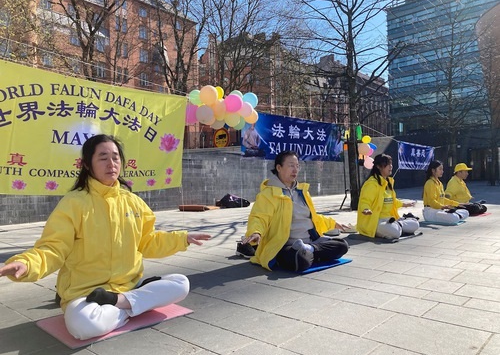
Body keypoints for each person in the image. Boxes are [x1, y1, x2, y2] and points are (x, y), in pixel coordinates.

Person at [0, 134, 211, 340]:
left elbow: (147, 243)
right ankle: (132, 304)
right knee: (83, 326)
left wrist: (182, 238)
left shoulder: (133, 202)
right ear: (87, 165)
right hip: (86, 292)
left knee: (181, 283)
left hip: (128, 285)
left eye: (115, 157)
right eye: (103, 157)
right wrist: (26, 263)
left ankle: (121, 302)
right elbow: (53, 248)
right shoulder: (74, 204)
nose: (111, 163)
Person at [241, 150, 349, 272]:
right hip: (285, 245)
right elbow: (259, 216)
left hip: (310, 241)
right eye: (291, 165)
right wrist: (256, 232)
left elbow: (312, 217)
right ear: (279, 167)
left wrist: (332, 223)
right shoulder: (268, 194)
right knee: (300, 260)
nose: (295, 170)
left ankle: (310, 249)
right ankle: (308, 253)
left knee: (342, 245)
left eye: (297, 166)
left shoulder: (303, 192)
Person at [357, 154, 420, 240]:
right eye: (387, 164)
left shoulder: (388, 182)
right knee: (395, 232)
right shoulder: (371, 184)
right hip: (376, 221)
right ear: (378, 166)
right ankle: (396, 227)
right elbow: (365, 201)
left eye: (391, 164)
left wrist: (405, 204)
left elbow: (392, 201)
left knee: (415, 224)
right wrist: (365, 209)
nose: (390, 166)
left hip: (390, 219)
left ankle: (398, 225)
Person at [423, 160, 469, 224]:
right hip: (431, 212)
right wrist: (443, 206)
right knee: (454, 218)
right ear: (433, 170)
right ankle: (455, 216)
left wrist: (457, 204)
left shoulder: (440, 183)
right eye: (440, 169)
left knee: (466, 212)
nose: (442, 171)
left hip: (440, 210)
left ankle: (455, 216)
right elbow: (431, 201)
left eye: (442, 169)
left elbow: (443, 199)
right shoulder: (430, 183)